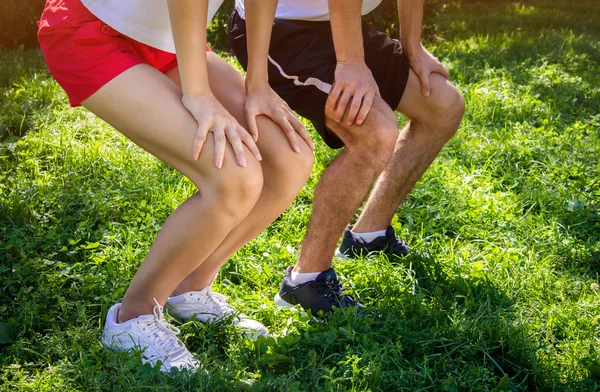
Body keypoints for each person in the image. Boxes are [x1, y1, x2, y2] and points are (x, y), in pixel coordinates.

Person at [37, 0, 314, 371]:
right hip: (92, 30)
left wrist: (258, 83)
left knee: (290, 157)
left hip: (169, 39)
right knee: (234, 176)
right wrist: (198, 95)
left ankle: (190, 286)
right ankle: (132, 319)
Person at [228, 0, 465, 314]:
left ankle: (369, 236)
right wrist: (351, 62)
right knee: (375, 131)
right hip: (278, 30)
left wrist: (413, 46)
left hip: (338, 24)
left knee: (443, 105)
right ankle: (305, 281)